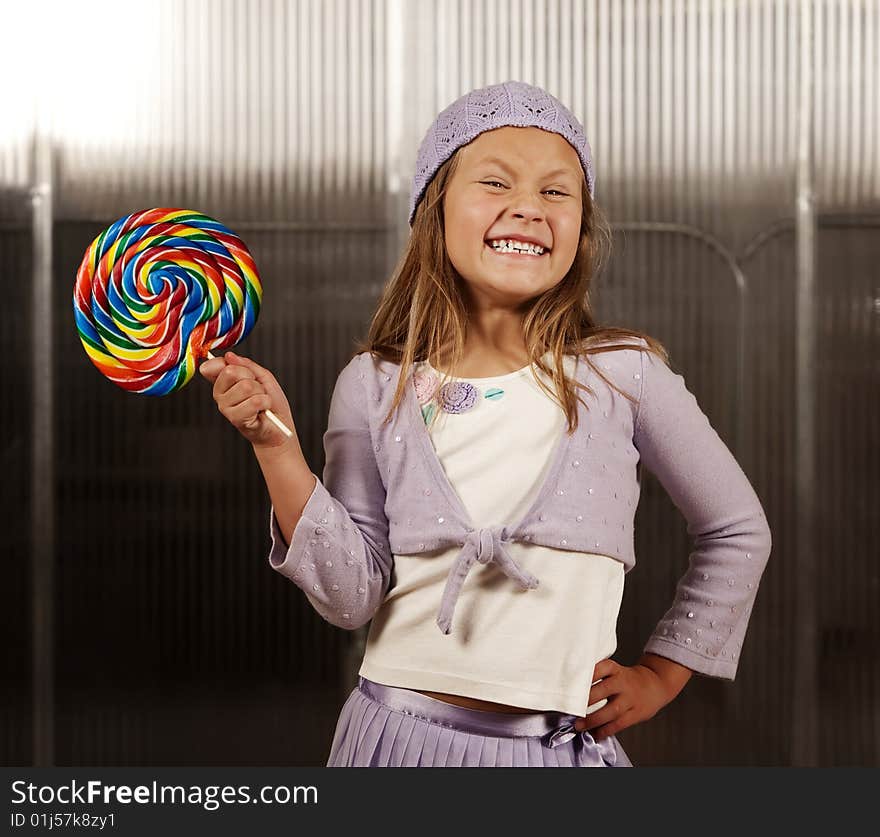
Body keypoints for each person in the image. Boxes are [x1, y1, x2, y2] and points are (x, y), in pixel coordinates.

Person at [199, 80, 772, 767]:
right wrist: (274, 445)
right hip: (394, 741)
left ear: (582, 228)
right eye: (496, 182)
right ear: (435, 211)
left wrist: (662, 673)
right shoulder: (376, 385)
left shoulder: (624, 374)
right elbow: (351, 595)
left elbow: (738, 530)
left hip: (554, 753)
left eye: (557, 192)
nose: (527, 207)